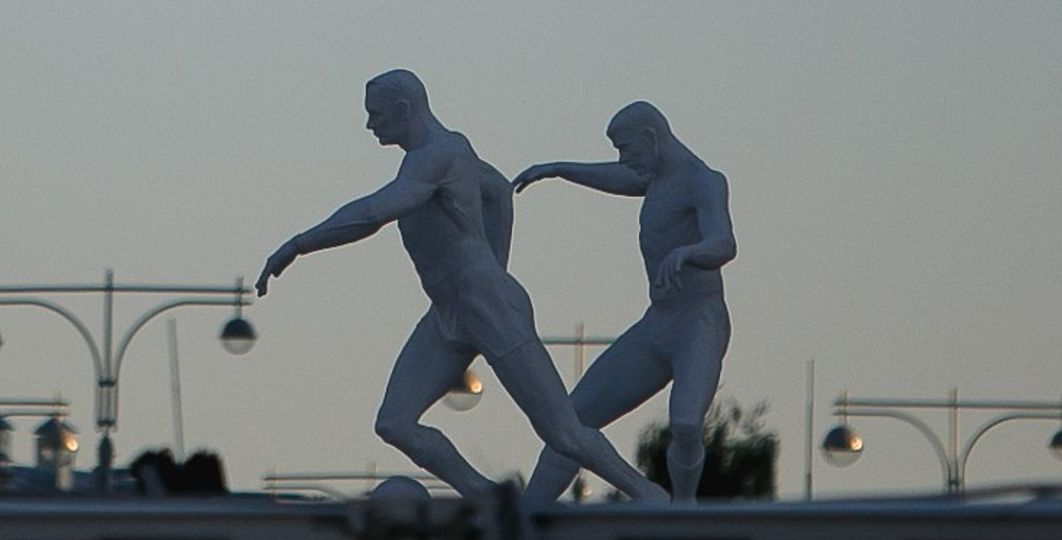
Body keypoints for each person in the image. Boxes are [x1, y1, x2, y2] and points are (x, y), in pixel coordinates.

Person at [257, 70, 668, 509]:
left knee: (560, 430)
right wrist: (495, 265)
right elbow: (497, 193)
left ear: (402, 110)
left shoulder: (441, 152)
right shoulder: (444, 155)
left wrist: (299, 245)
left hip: (486, 302)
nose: (369, 126)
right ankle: (487, 497)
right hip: (449, 310)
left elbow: (377, 211)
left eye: (375, 115)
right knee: (395, 421)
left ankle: (649, 494)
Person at [512, 101, 736, 503]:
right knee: (571, 420)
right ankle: (530, 510)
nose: (623, 159)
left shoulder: (704, 181)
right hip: (658, 323)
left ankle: (683, 508)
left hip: (699, 321)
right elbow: (617, 176)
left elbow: (724, 242)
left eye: (626, 148)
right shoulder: (655, 179)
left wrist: (689, 253)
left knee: (685, 424)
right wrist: (559, 169)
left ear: (651, 139)